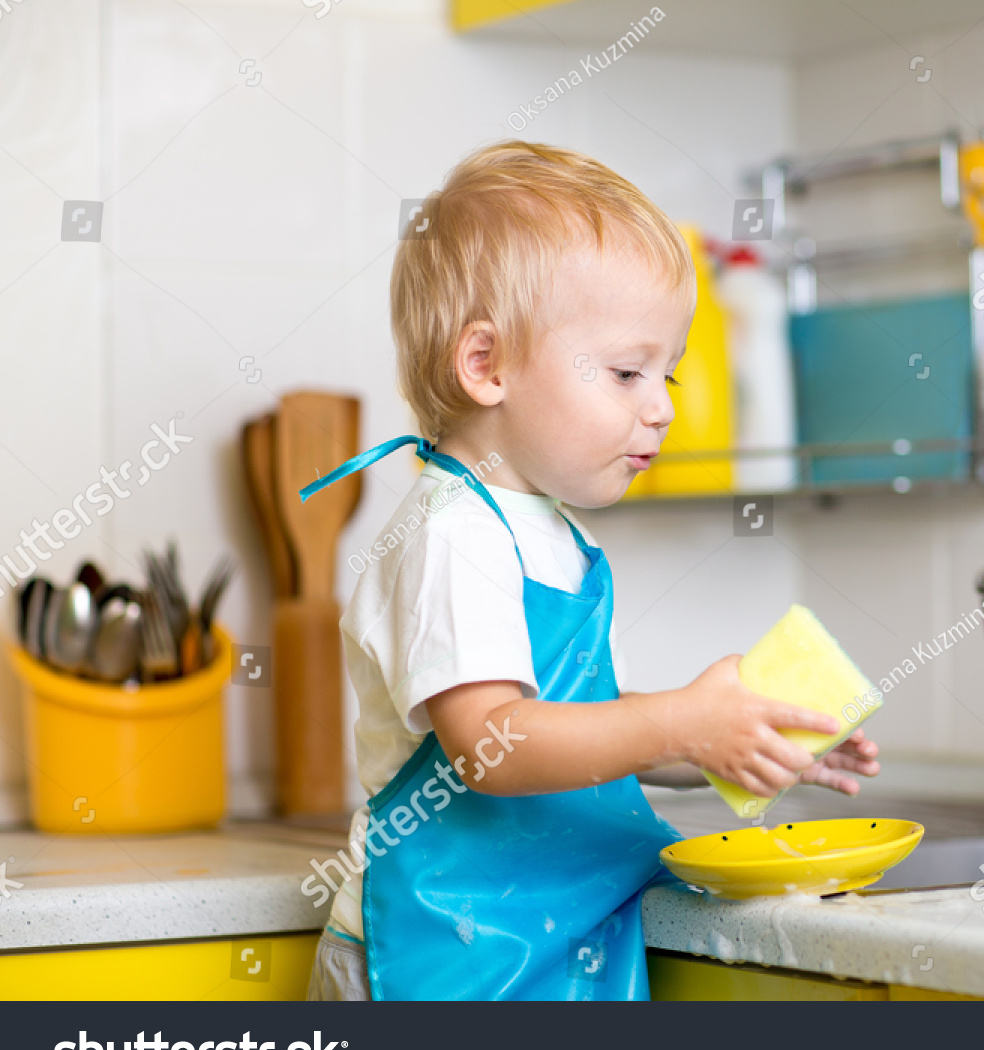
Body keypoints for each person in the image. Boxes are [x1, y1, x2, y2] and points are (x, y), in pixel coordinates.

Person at [302, 140, 879, 1000]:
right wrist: (678, 721)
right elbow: (494, 745)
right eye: (626, 371)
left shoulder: (548, 531)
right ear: (486, 365)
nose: (664, 405)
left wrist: (732, 739)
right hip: (438, 952)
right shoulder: (452, 531)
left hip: (538, 945)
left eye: (668, 372)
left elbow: (582, 735)